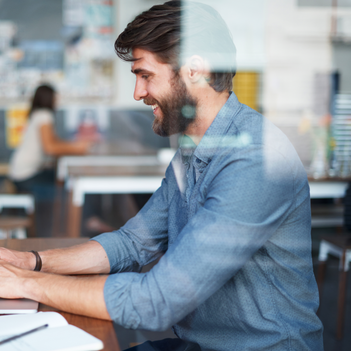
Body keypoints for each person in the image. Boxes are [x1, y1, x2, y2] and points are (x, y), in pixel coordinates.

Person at [0, 2, 323, 350]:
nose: (138, 93)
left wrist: (25, 283)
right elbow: (133, 242)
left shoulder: (257, 159)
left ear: (194, 71)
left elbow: (157, 301)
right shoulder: (190, 152)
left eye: (145, 75)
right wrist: (30, 261)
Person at [9, 84, 91, 195]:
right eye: (55, 97)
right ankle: (68, 211)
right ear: (49, 98)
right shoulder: (44, 115)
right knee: (67, 181)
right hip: (25, 177)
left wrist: (75, 146)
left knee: (60, 176)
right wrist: (78, 149)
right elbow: (50, 148)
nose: (57, 101)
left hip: (18, 173)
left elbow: (55, 141)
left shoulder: (38, 114)